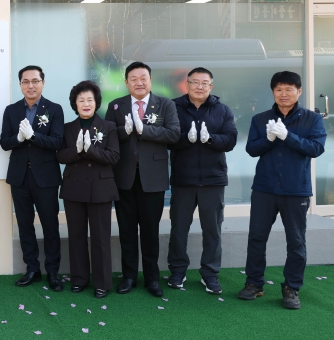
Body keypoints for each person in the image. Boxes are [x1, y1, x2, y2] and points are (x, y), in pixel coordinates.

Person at [239, 71, 326, 309]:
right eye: (279, 89)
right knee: (257, 237)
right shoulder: (260, 119)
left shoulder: (312, 119)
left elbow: (316, 148)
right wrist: (268, 139)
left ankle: (292, 288)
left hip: (296, 189)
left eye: (289, 89)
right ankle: (254, 283)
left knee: (296, 241)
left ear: (299, 91)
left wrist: (288, 136)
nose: (283, 94)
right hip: (264, 188)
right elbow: (251, 150)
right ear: (273, 92)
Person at [104, 61, 179, 297]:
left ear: (150, 80)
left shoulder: (165, 104)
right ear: (126, 82)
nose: (139, 82)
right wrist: (124, 131)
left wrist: (144, 130)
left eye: (143, 77)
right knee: (126, 231)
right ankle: (128, 277)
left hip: (152, 178)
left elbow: (174, 134)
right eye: (134, 78)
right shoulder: (116, 106)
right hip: (124, 177)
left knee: (150, 231)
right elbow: (107, 138)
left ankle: (152, 278)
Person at [167, 67, 237, 295]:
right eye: (195, 82)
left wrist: (210, 139)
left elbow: (231, 140)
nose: (199, 87)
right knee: (179, 228)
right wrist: (185, 139)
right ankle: (178, 271)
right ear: (187, 84)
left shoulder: (222, 110)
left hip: (212, 179)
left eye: (204, 83)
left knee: (212, 230)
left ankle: (210, 274)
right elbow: (166, 138)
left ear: (211, 86)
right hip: (183, 179)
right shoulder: (174, 107)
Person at [1, 65, 65, 291]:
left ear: (43, 83)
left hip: (46, 177)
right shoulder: (11, 110)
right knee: (25, 225)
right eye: (26, 81)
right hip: (19, 177)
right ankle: (32, 269)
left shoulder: (54, 109)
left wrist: (34, 136)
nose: (31, 85)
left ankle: (53, 272)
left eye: (35, 81)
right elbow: (4, 142)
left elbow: (57, 141)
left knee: (50, 225)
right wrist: (19, 138)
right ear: (20, 85)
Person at [57, 81, 119, 298]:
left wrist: (91, 150)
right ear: (75, 104)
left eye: (90, 100)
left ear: (96, 102)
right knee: (76, 235)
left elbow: (114, 156)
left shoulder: (109, 126)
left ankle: (102, 283)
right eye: (81, 100)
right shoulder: (67, 128)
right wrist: (77, 151)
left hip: (101, 188)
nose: (86, 104)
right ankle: (79, 279)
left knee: (101, 237)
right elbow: (60, 155)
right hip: (74, 187)